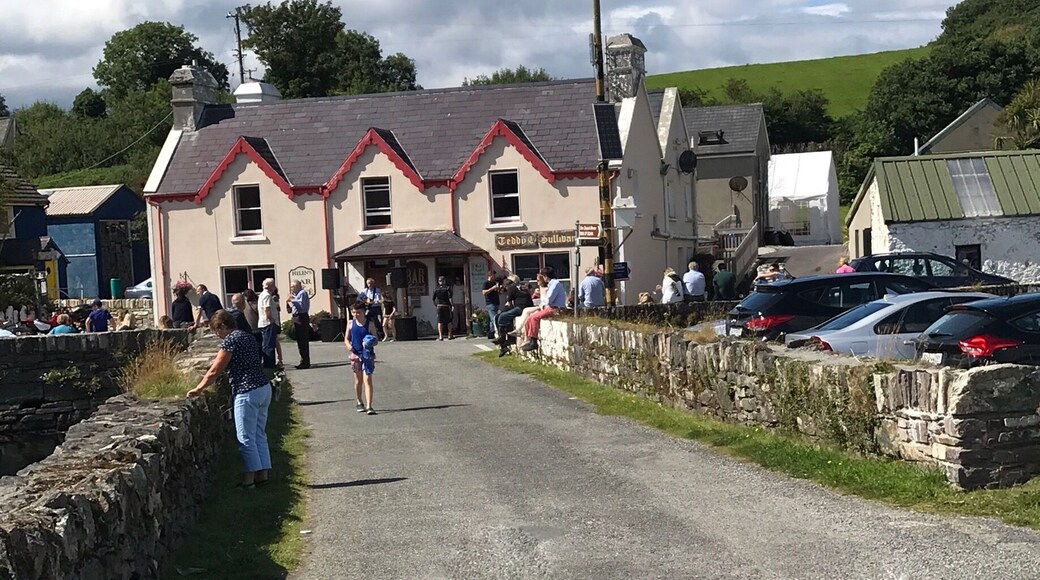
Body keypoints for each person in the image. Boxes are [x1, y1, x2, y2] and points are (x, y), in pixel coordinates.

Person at [187, 310, 271, 488]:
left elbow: (215, 370)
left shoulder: (231, 340)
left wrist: (199, 388)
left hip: (246, 390)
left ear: (223, 327)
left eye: (217, 331)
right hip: (263, 387)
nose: (217, 336)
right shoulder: (246, 336)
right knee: (258, 433)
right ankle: (263, 474)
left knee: (245, 437)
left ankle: (249, 480)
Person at [521, 266, 567, 352]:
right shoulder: (552, 284)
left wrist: (544, 304)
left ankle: (533, 341)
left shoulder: (555, 284)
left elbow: (549, 299)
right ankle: (528, 339)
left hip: (556, 308)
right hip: (551, 306)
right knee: (530, 318)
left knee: (534, 318)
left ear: (546, 276)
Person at [345, 302, 380, 415]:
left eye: (358, 312)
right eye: (354, 312)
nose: (356, 315)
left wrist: (370, 342)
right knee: (358, 381)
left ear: (364, 312)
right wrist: (349, 346)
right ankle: (359, 401)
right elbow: (346, 338)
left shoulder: (369, 324)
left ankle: (369, 406)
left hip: (368, 355)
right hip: (355, 355)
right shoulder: (350, 323)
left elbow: (376, 340)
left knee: (368, 380)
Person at [496, 277, 534, 357]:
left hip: (520, 308)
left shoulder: (511, 288)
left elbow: (509, 303)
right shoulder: (520, 287)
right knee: (502, 317)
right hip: (528, 307)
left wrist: (509, 310)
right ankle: (504, 342)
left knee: (502, 317)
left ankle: (503, 338)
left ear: (506, 286)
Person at [287, 280, 311, 369]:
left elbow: (301, 307)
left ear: (297, 286)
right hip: (297, 317)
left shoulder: (302, 293)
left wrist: (292, 300)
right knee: (300, 340)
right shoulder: (297, 295)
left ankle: (305, 362)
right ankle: (303, 360)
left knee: (303, 340)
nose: (291, 289)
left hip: (301, 317)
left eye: (292, 287)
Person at [257, 278, 278, 368]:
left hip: (264, 323)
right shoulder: (267, 295)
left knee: (266, 344)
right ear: (269, 286)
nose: (274, 287)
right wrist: (271, 319)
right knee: (269, 345)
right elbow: (267, 308)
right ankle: (269, 365)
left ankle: (268, 364)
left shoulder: (263, 294)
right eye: (273, 285)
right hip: (267, 323)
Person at [481, 271, 502, 340]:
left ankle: (491, 333)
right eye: (494, 276)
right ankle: (497, 333)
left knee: (492, 319)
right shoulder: (486, 283)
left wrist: (498, 289)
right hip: (490, 303)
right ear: (490, 276)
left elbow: (498, 293)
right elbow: (484, 292)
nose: (495, 277)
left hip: (496, 302)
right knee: (494, 318)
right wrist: (492, 288)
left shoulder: (494, 283)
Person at [432, 276, 454, 340]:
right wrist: (452, 305)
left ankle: (441, 336)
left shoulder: (436, 289)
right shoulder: (447, 288)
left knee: (440, 321)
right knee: (449, 321)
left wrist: (436, 305)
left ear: (439, 281)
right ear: (444, 281)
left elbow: (433, 299)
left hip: (439, 306)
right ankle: (449, 335)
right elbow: (450, 298)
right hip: (446, 306)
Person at [271, 285, 284, 366]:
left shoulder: (274, 298)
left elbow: (278, 308)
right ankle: (279, 358)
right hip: (274, 320)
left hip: (275, 321)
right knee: (275, 341)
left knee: (276, 341)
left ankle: (280, 358)